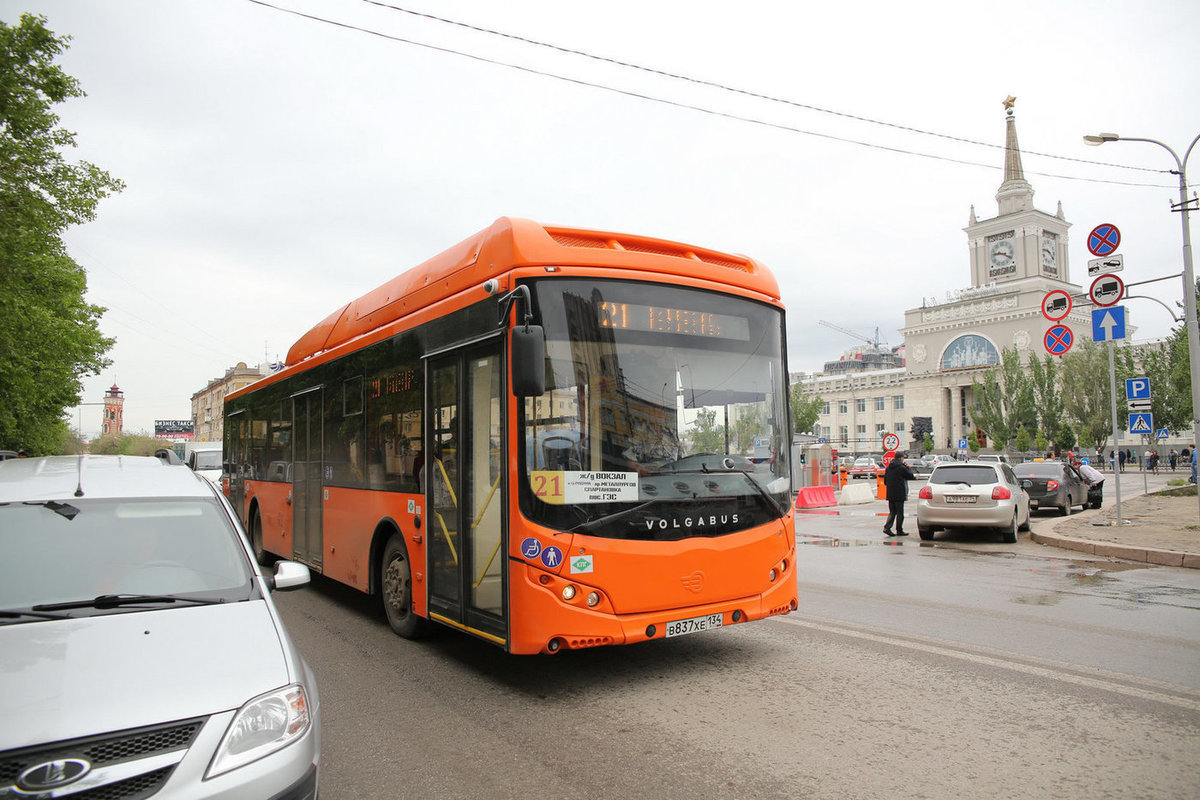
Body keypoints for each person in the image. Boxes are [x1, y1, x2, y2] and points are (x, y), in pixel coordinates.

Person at [882, 453, 917, 537]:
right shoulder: (902, 467)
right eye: (903, 458)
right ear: (901, 458)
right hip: (900, 493)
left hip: (890, 494)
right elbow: (911, 476)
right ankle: (899, 530)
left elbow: (885, 482)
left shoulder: (888, 468)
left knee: (892, 512)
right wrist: (908, 467)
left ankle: (887, 527)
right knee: (900, 513)